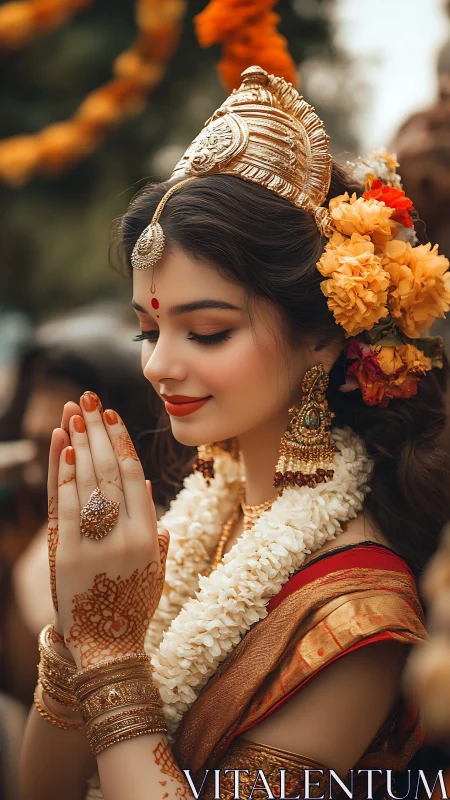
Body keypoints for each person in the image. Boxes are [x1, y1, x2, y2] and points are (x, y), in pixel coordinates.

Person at [20, 67, 450, 800]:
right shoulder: (202, 524)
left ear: (321, 338)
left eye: (208, 331)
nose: (159, 366)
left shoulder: (359, 612)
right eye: (147, 332)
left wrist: (110, 653)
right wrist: (76, 630)